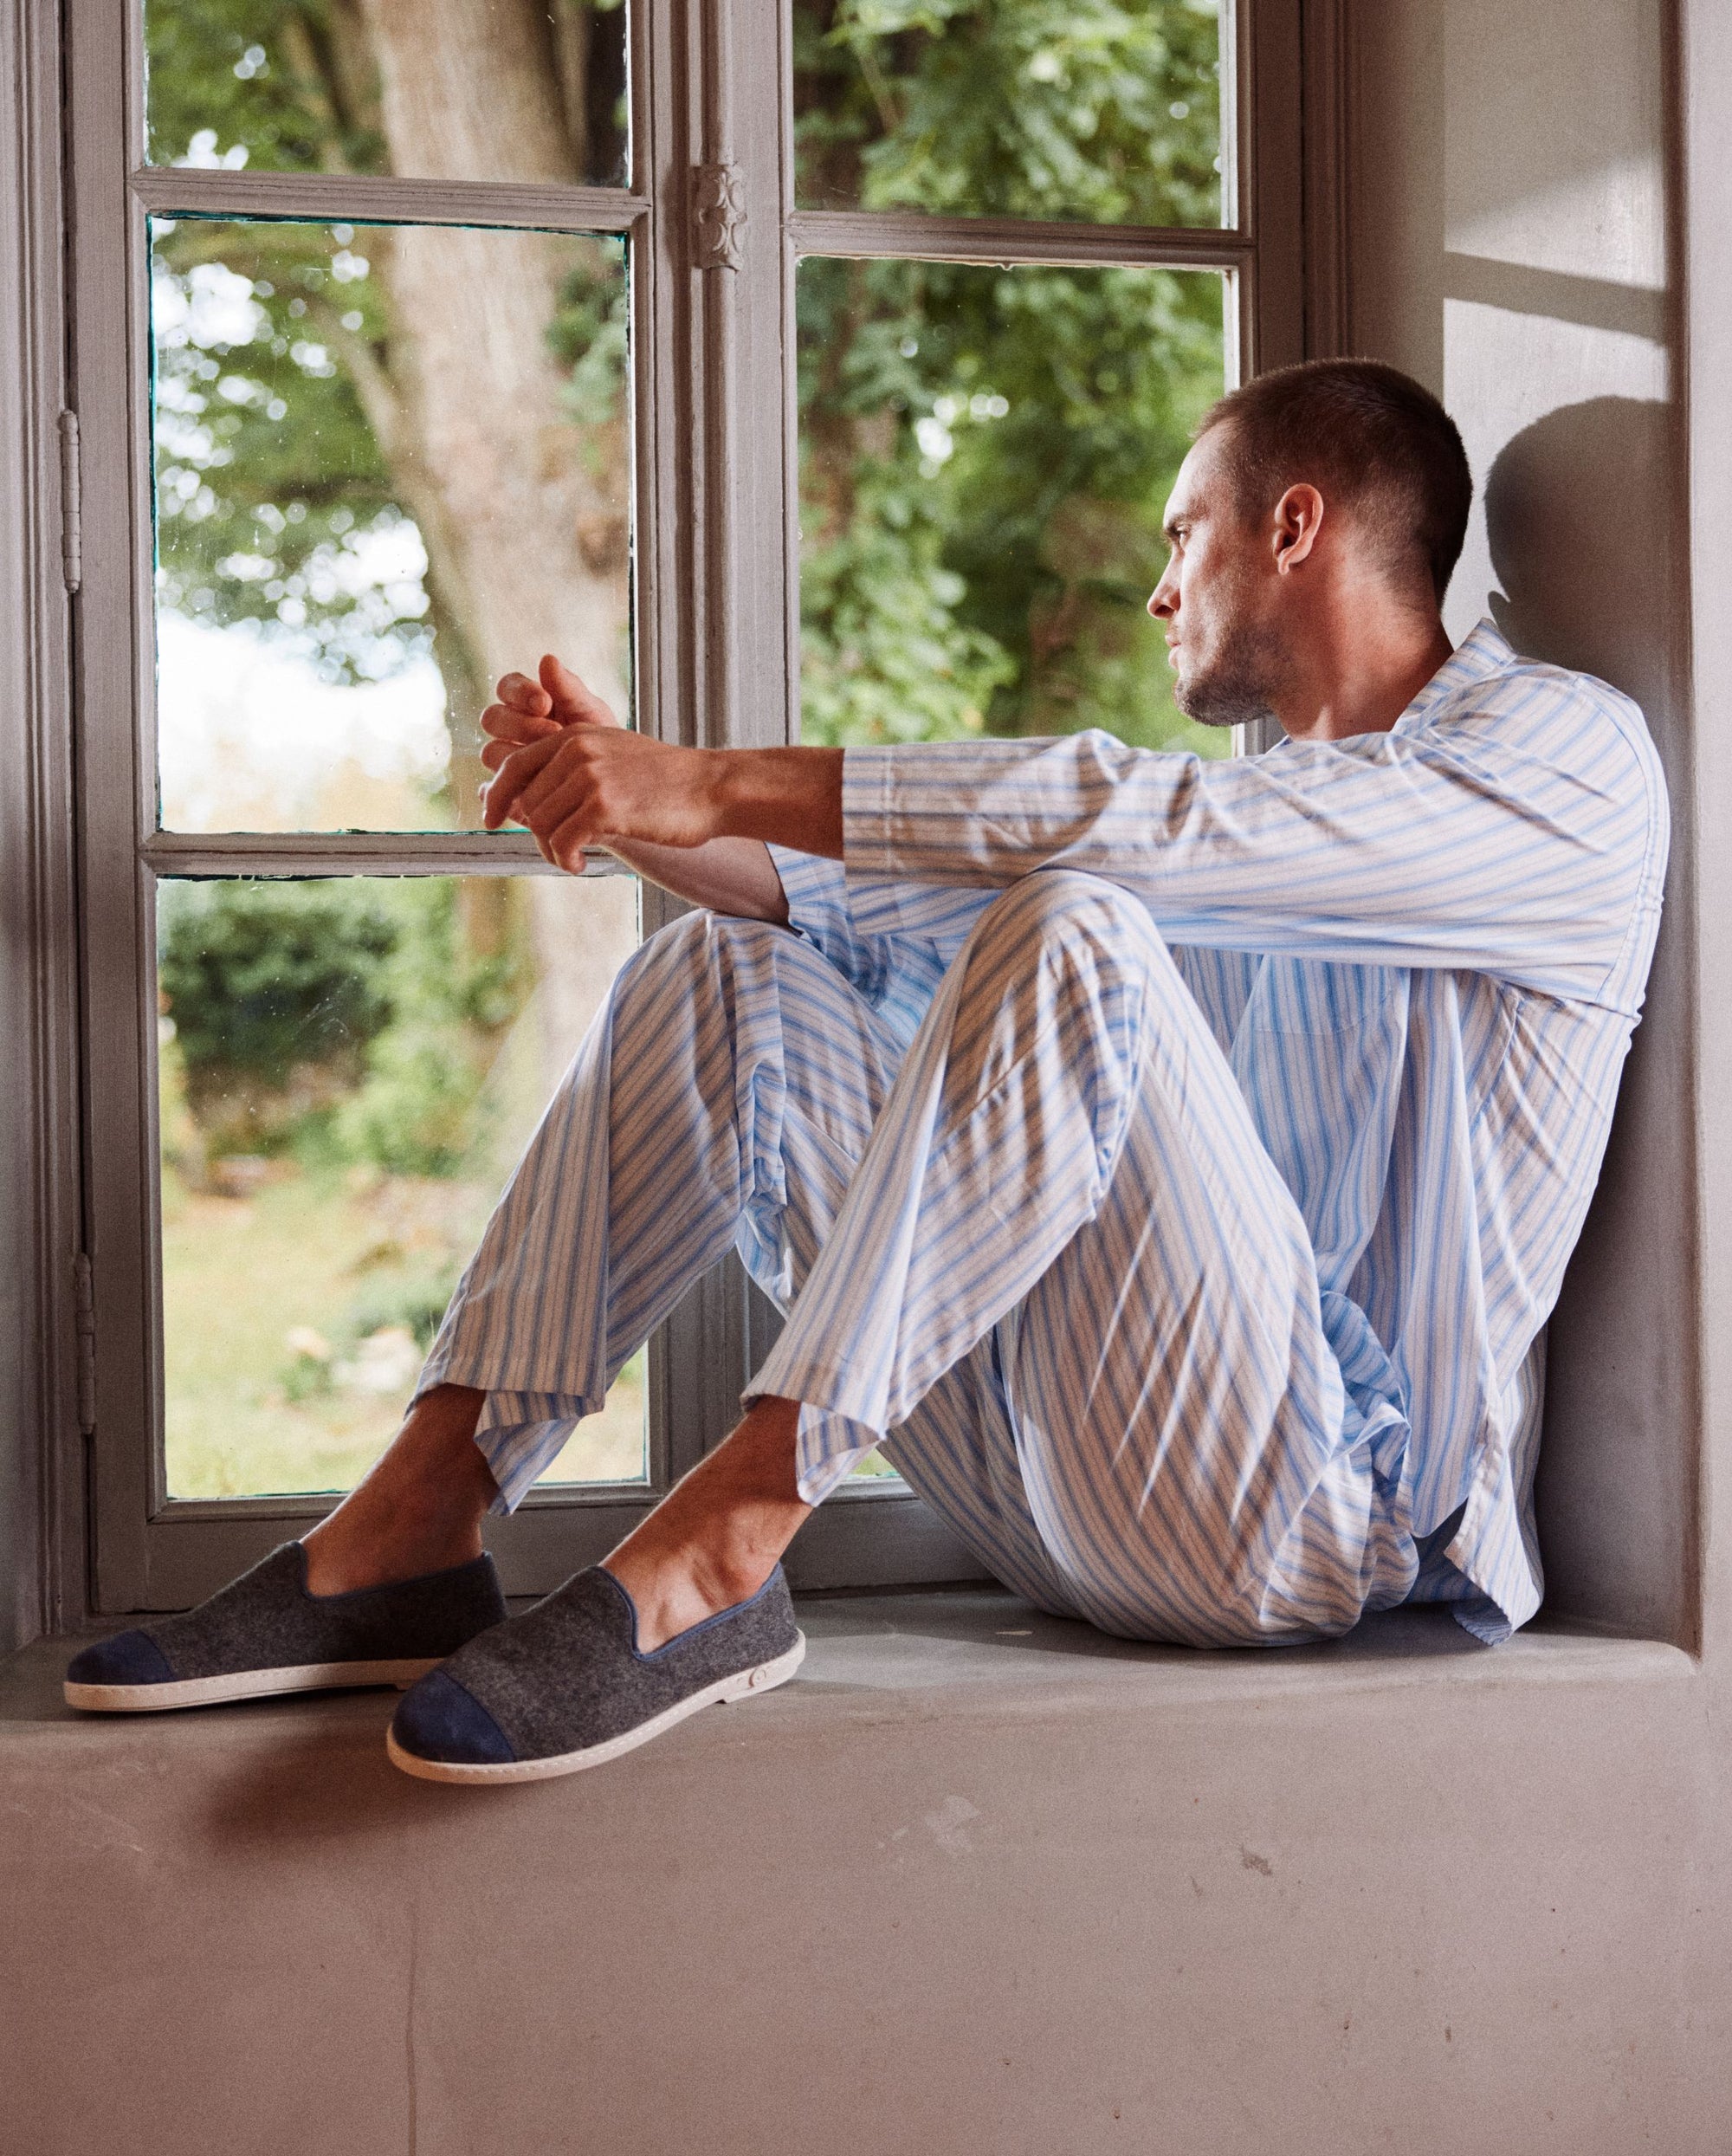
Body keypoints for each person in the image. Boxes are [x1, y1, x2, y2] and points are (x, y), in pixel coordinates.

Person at [65, 360, 1668, 1787]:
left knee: (1078, 918)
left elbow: (1144, 837)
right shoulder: (1245, 841)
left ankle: (725, 1549)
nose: (1158, 592)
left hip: (1319, 1522)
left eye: (1185, 535)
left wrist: (708, 777)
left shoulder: (1561, 765)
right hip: (1064, 1495)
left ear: (1296, 527)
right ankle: (420, 1513)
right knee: (733, 965)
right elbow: (867, 905)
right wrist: (636, 804)